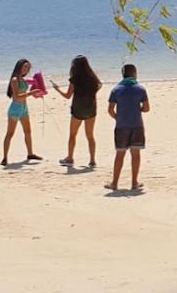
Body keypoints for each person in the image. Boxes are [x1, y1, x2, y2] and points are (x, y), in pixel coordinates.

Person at [52, 55, 102, 168]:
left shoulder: (75, 79)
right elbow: (99, 86)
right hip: (91, 108)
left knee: (73, 135)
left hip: (78, 109)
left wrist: (57, 89)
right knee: (90, 135)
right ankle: (92, 160)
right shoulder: (93, 78)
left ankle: (70, 157)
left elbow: (67, 96)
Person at [106, 63, 150, 192]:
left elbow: (110, 110)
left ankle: (114, 183)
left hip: (121, 126)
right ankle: (134, 182)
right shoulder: (140, 89)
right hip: (137, 125)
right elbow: (146, 108)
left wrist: (118, 118)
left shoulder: (116, 89)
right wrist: (137, 110)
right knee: (135, 154)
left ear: (122, 74)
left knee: (120, 154)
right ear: (135, 74)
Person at [2, 59, 41, 166]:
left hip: (24, 108)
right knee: (10, 133)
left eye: (28, 68)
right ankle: (4, 158)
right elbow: (16, 96)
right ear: (19, 67)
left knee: (28, 131)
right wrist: (31, 93)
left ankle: (30, 153)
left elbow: (27, 89)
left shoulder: (22, 79)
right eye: (25, 67)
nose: (27, 69)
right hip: (15, 108)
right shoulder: (14, 80)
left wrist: (36, 92)